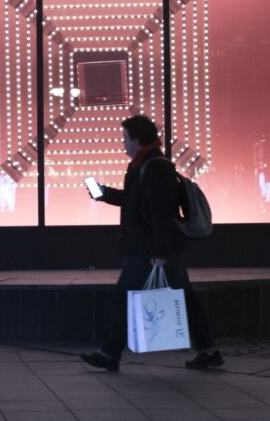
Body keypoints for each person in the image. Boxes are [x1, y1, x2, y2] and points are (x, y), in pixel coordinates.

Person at [81, 115, 223, 372]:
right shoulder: (142, 165)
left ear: (136, 140)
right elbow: (136, 201)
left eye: (125, 138)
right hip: (154, 248)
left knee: (123, 297)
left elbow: (162, 213)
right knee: (185, 299)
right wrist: (104, 194)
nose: (122, 143)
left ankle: (109, 353)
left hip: (150, 250)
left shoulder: (156, 167)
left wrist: (160, 252)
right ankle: (209, 351)